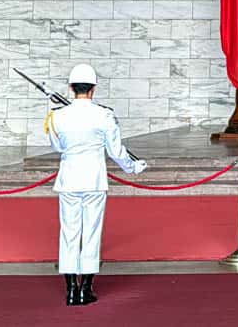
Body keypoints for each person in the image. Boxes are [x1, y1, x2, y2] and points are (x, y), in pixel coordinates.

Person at [45, 64, 148, 307]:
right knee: (91, 232)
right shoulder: (104, 115)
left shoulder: (57, 115)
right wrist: (133, 167)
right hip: (93, 180)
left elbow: (57, 147)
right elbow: (115, 151)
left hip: (69, 180)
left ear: (71, 88)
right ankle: (86, 289)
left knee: (69, 233)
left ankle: (71, 290)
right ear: (93, 90)